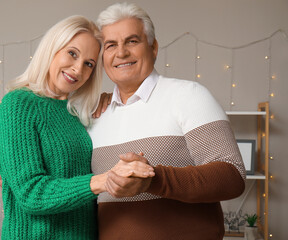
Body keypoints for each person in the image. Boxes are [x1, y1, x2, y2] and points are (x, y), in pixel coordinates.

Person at [88, 3, 246, 239]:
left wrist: (153, 178)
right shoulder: (94, 115)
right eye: (111, 45)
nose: (121, 53)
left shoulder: (189, 95)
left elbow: (232, 176)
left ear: (153, 48)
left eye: (132, 41)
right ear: (103, 58)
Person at [0, 15, 154, 240]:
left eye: (89, 64)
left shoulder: (77, 113)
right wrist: (103, 179)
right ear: (53, 48)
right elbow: (31, 193)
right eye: (72, 53)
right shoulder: (18, 104)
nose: (78, 69)